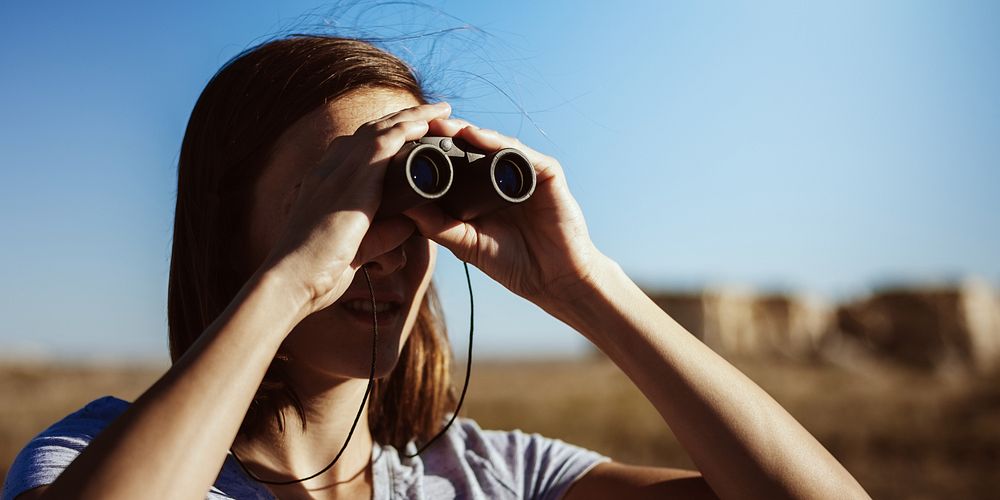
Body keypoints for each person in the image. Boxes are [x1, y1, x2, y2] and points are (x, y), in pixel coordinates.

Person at [1, 35, 870, 500]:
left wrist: (586, 286)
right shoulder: (89, 459)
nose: (382, 244)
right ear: (228, 229)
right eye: (342, 195)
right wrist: (295, 279)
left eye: (408, 199)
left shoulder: (490, 479)